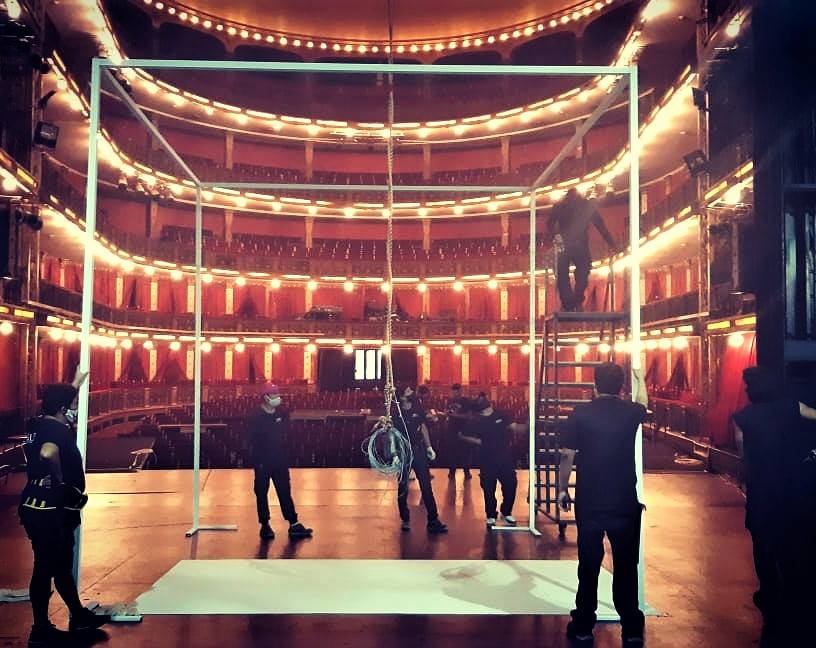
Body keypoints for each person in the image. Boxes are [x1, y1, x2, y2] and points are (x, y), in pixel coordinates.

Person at [558, 362, 648, 644]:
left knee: (588, 564)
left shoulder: (581, 413)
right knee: (625, 564)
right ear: (621, 387)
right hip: (623, 500)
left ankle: (583, 624)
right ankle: (631, 626)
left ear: (593, 384)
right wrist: (639, 377)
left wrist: (563, 490)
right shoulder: (631, 412)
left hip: (591, 500)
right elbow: (642, 403)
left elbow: (566, 457)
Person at [19, 368, 110, 646]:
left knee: (59, 566)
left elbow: (49, 427)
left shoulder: (39, 424)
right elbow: (49, 452)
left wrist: (74, 385)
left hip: (35, 505)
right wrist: (59, 480)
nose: (75, 410)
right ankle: (40, 629)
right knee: (46, 567)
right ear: (61, 409)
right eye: (72, 406)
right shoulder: (56, 431)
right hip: (49, 509)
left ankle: (79, 614)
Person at [732, 366, 816, 645]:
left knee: (763, 549)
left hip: (762, 492)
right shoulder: (792, 407)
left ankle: (769, 598)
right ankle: (794, 601)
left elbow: (742, 453)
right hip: (792, 491)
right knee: (791, 546)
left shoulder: (743, 417)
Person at [249, 384, 312, 540]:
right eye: (274, 394)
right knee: (261, 493)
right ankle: (265, 525)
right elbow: (251, 440)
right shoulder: (255, 417)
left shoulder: (282, 414)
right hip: (262, 462)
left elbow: (287, 436)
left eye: (278, 393)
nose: (278, 397)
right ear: (265, 397)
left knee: (284, 491)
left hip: (280, 461)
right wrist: (257, 460)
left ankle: (293, 523)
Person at [547, 188, 616, 312]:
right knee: (579, 273)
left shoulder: (562, 205)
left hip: (568, 245)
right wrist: (612, 244)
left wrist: (556, 236)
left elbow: (550, 225)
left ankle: (570, 303)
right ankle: (574, 302)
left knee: (564, 273)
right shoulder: (585, 206)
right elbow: (601, 226)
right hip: (575, 245)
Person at [394, 386, 448, 534]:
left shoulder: (417, 407)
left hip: (419, 450)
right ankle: (405, 518)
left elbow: (423, 426)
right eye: (408, 391)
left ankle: (433, 520)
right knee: (403, 487)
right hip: (404, 451)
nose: (411, 393)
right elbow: (391, 434)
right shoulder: (395, 412)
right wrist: (394, 454)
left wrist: (429, 447)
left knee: (426, 486)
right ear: (402, 396)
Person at [460, 393, 520, 526]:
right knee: (488, 487)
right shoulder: (476, 420)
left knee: (511, 484)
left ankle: (506, 511)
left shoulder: (502, 414)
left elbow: (514, 426)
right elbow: (462, 435)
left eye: (487, 410)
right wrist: (478, 441)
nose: (486, 412)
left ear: (491, 406)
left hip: (504, 456)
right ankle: (491, 514)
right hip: (487, 457)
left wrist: (526, 427)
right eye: (483, 411)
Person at [445, 383, 473, 480]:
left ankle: (466, 471)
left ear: (461, 391)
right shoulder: (449, 401)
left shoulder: (467, 401)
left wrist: (455, 415)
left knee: (465, 452)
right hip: (452, 430)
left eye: (457, 392)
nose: (455, 394)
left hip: (464, 430)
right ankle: (452, 472)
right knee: (452, 452)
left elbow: (469, 416)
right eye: (453, 392)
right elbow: (448, 413)